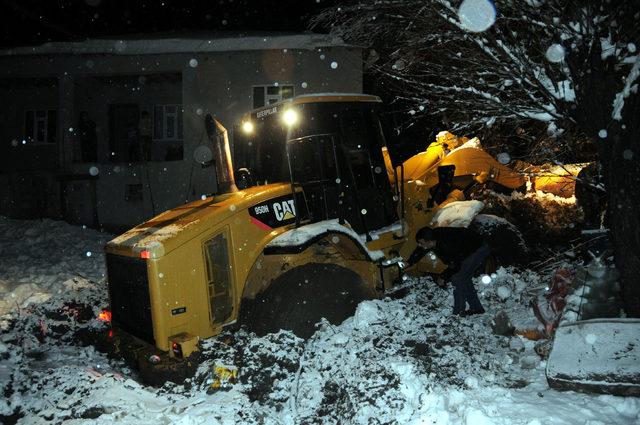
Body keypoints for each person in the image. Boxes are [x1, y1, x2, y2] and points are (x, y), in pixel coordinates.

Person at [407, 226, 489, 316]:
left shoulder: (448, 245)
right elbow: (421, 250)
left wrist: (443, 277)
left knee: (458, 278)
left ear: (430, 242)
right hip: (464, 249)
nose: (419, 245)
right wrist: (410, 262)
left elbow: (455, 265)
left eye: (421, 243)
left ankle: (459, 313)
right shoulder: (432, 237)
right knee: (464, 278)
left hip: (477, 248)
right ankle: (476, 308)